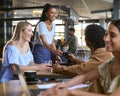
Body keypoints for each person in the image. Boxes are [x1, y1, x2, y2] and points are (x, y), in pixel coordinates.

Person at [38, 19, 120, 96]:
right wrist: (63, 85)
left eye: (112, 35)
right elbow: (84, 76)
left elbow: (82, 70)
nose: (106, 39)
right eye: (106, 34)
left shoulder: (104, 56)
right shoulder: (111, 62)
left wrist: (70, 92)